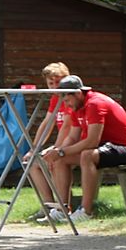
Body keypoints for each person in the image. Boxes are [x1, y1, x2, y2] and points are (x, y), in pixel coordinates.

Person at [35, 75, 126, 222]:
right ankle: (62, 210)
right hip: (105, 146)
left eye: (67, 100)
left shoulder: (95, 104)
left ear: (78, 94)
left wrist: (61, 151)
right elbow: (72, 137)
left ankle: (86, 211)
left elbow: (92, 141)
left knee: (87, 155)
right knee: (60, 159)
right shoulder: (76, 107)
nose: (66, 105)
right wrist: (57, 151)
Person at [25, 62, 74, 218]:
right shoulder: (55, 98)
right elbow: (47, 123)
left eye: (58, 82)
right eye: (50, 83)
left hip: (74, 143)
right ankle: (48, 206)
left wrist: (56, 149)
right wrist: (34, 148)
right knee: (33, 163)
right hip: (63, 144)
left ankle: (62, 208)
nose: (54, 87)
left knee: (53, 160)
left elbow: (67, 127)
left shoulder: (70, 98)